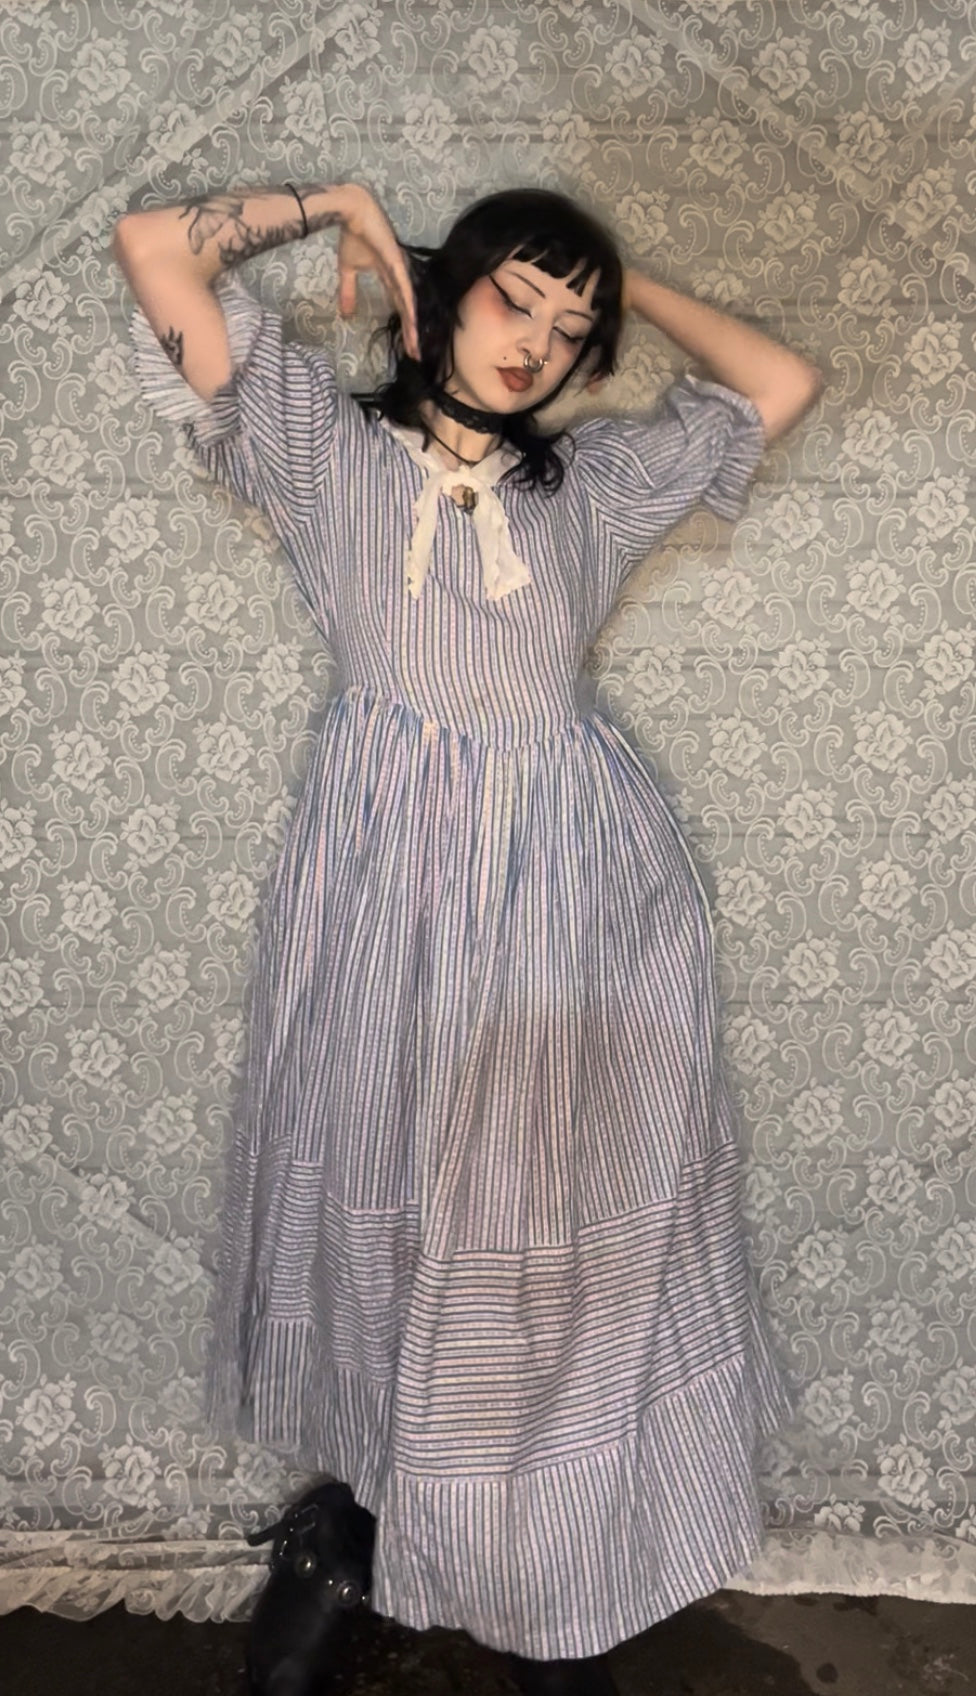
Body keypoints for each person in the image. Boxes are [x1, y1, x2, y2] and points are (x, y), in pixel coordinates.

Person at [113, 179, 820, 1696]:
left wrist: (626, 278)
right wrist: (338, 209)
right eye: (516, 298)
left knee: (547, 1240)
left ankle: (544, 1578)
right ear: (443, 296)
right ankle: (357, 1532)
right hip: (384, 890)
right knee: (392, 1214)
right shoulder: (318, 451)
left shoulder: (597, 489)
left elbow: (780, 382)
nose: (539, 344)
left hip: (580, 903)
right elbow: (153, 250)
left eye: (573, 329)